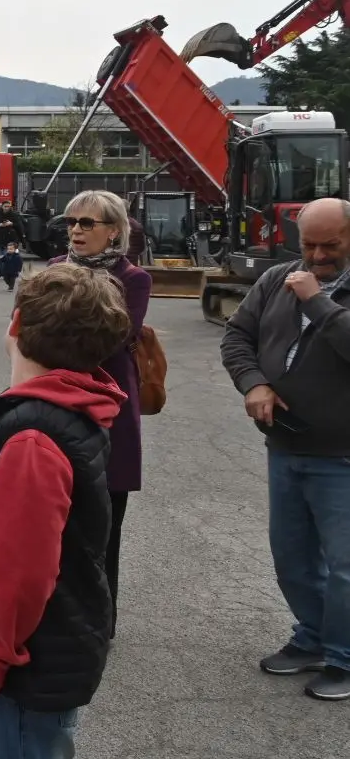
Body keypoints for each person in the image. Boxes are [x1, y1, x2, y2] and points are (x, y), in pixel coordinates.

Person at [0, 263, 131, 759]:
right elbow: (4, 538)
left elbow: (22, 570)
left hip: (25, 668)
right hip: (39, 649)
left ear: (15, 325)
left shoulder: (32, 437)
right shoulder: (59, 411)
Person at [220, 197, 350, 701]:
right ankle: (314, 639)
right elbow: (237, 337)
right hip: (287, 445)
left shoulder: (311, 287)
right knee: (292, 556)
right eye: (308, 245)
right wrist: (253, 383)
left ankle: (343, 656)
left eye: (330, 245)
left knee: (343, 565)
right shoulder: (276, 279)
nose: (316, 255)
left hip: (342, 451)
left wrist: (318, 302)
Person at [53, 190, 150, 617]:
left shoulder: (133, 279)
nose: (76, 230)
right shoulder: (54, 270)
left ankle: (98, 617)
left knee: (104, 524)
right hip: (56, 403)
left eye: (87, 223)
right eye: (71, 222)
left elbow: (117, 338)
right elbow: (27, 332)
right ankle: (54, 611)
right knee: (54, 518)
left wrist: (59, 333)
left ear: (114, 231)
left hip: (109, 411)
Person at [0, 216, 22, 292]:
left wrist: (18, 270)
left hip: (13, 271)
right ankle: (2, 272)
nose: (5, 224)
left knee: (12, 279)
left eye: (6, 222)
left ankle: (11, 287)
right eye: (4, 223)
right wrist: (2, 257)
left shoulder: (12, 231)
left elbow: (19, 263)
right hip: (0, 246)